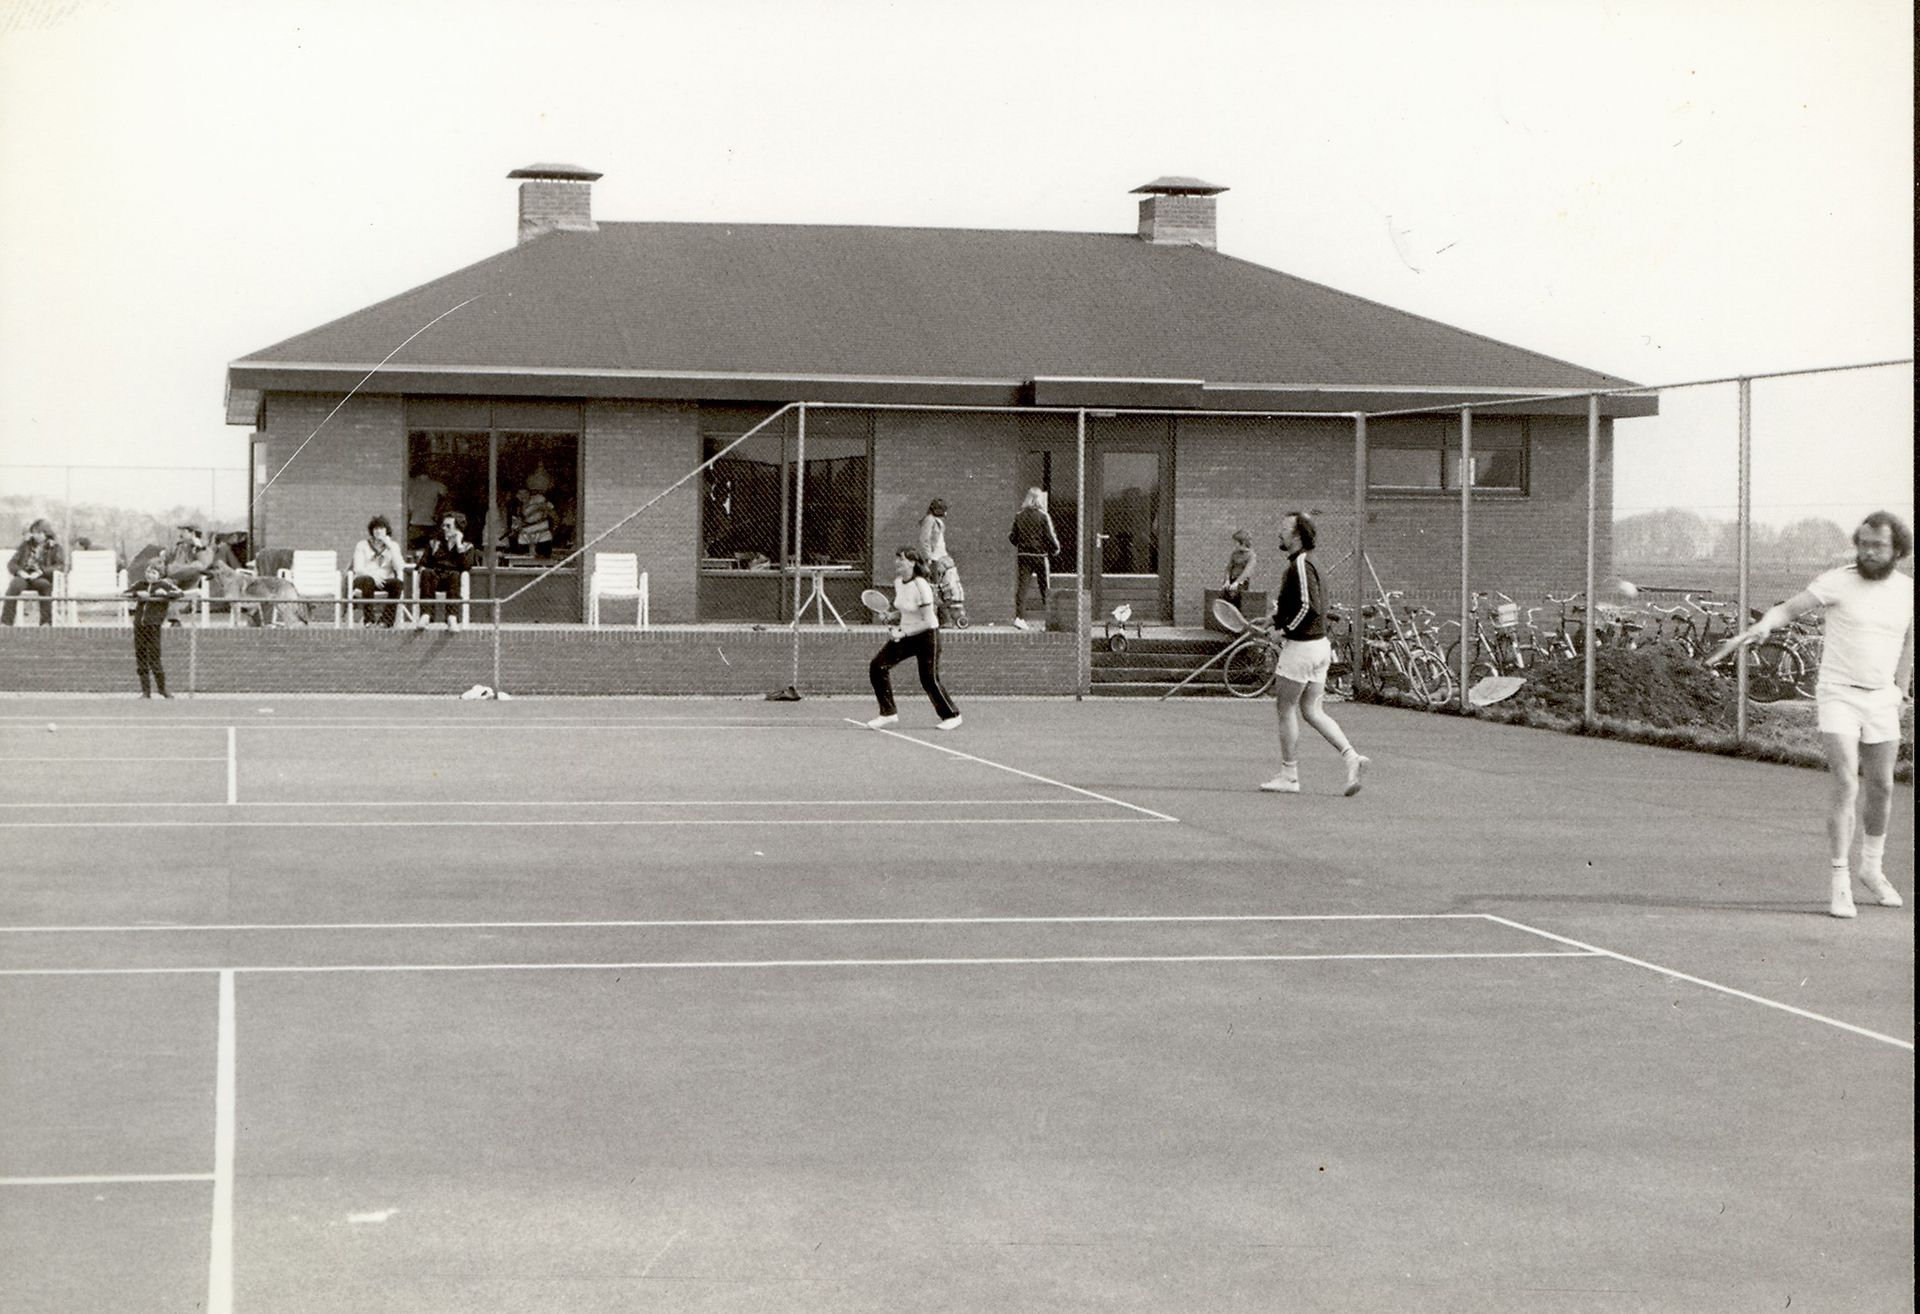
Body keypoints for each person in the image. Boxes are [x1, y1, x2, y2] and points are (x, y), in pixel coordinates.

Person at [1730, 510, 1913, 918]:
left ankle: (1871, 869)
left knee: (1883, 786)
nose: (1868, 552)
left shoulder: (1907, 591)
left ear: (1897, 550)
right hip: (1838, 695)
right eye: (1863, 544)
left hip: (1882, 699)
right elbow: (1789, 609)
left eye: (1878, 546)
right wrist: (1765, 624)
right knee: (1846, 781)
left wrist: (1901, 691)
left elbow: (1908, 643)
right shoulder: (1837, 581)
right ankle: (1840, 880)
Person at [1261, 511, 1369, 797]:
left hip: (1303, 648)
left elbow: (1310, 607)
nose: (1279, 532)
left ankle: (1289, 776)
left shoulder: (1300, 564)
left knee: (1285, 709)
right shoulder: (1309, 563)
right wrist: (1274, 619)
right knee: (1311, 710)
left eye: (1284, 528)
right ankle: (1352, 757)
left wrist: (1283, 631)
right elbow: (1298, 604)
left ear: (1297, 535)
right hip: (1319, 647)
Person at [866, 547, 962, 731]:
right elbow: (906, 609)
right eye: (896, 558)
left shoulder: (921, 585)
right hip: (906, 634)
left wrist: (902, 633)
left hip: (927, 636)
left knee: (929, 679)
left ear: (912, 563)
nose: (897, 562)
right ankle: (888, 713)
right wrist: (891, 616)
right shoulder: (898, 582)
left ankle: (952, 715)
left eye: (901, 559)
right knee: (877, 666)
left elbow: (928, 620)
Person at [124, 562, 184, 698]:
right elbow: (125, 593)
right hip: (139, 626)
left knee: (154, 657)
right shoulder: (140, 584)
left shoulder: (164, 585)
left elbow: (180, 593)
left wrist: (165, 594)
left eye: (153, 572)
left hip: (154, 626)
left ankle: (162, 689)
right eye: (148, 572)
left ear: (159, 575)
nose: (149, 575)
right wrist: (137, 594)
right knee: (141, 656)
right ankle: (146, 691)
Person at [1008, 487, 1060, 630]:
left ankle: (1019, 618)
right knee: (1045, 588)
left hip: (1024, 556)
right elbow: (1049, 536)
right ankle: (1049, 622)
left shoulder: (1019, 516)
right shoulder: (1043, 516)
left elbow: (1013, 537)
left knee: (1022, 588)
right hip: (1040, 556)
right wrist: (1055, 549)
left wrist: (1021, 543)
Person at [418, 511, 479, 629]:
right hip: (435, 577)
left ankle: (452, 617)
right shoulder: (434, 543)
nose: (444, 528)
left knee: (455, 575)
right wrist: (422, 568)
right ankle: (426, 615)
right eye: (443, 525)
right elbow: (422, 562)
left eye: (448, 526)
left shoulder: (467, 546)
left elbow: (466, 566)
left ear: (458, 528)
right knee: (427, 573)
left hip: (452, 579)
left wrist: (459, 545)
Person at [919, 497, 969, 628]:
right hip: (935, 559)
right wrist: (929, 558)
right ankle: (944, 618)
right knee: (938, 588)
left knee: (946, 586)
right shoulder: (929, 520)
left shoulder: (936, 521)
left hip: (942, 557)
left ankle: (947, 618)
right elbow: (925, 540)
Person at [2, 519, 63, 627]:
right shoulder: (25, 545)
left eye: (39, 533)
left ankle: (45, 623)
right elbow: (12, 563)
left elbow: (60, 565)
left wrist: (41, 572)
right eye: (34, 533)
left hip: (41, 577)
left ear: (46, 533)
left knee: (45, 586)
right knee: (14, 585)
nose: (36, 535)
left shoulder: (55, 547)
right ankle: (6, 622)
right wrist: (20, 572)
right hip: (24, 576)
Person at [349, 515, 408, 627]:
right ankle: (369, 620)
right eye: (375, 528)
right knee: (368, 581)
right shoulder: (362, 545)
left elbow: (400, 567)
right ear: (372, 531)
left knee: (397, 584)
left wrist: (390, 547)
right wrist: (373, 576)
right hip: (364, 579)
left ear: (386, 530)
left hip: (384, 580)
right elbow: (358, 568)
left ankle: (386, 621)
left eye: (381, 528)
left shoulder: (393, 546)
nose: (378, 531)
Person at [1221, 529, 1257, 611]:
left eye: (1235, 542)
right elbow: (1228, 568)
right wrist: (1227, 580)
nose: (1234, 545)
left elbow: (1247, 571)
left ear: (1242, 543)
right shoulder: (1234, 554)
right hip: (1231, 581)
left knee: (1236, 601)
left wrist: (1237, 582)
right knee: (1225, 598)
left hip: (1241, 583)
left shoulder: (1251, 555)